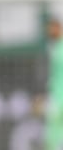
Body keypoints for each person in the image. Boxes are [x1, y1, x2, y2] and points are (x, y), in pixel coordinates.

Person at [45, 18, 63, 150]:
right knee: (52, 135)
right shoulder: (53, 47)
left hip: (58, 99)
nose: (49, 31)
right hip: (56, 97)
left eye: (52, 27)